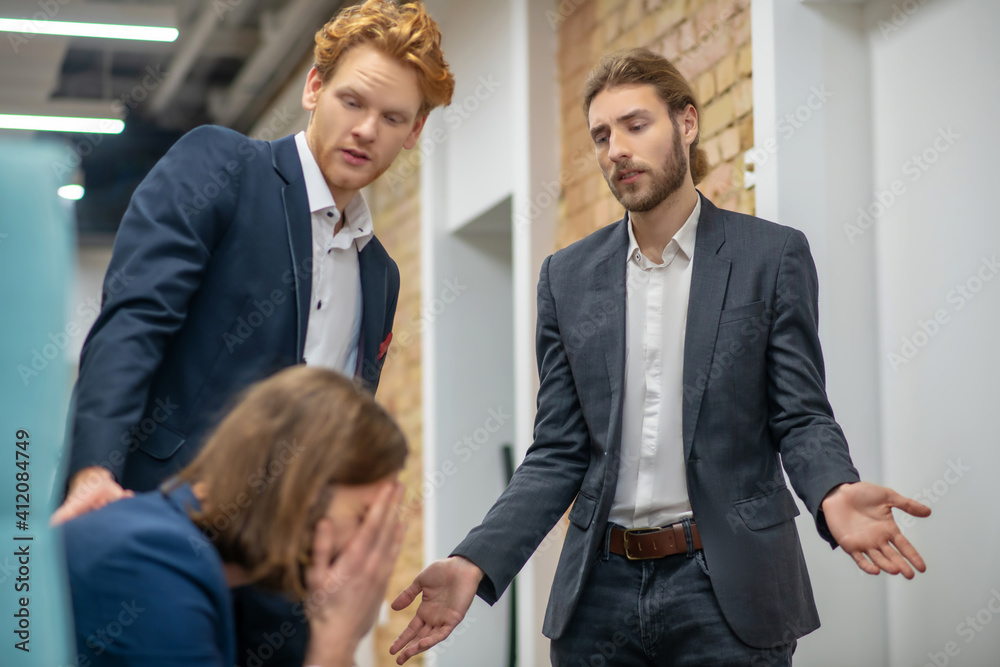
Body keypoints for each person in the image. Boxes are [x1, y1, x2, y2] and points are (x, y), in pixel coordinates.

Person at [389, 49, 932, 666]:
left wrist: (833, 490)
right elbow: (558, 452)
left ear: (687, 123)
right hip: (598, 594)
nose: (616, 148)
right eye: (601, 135)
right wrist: (474, 560)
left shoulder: (769, 257)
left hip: (726, 590)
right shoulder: (566, 278)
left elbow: (801, 415)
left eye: (635, 125)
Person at [54, 1, 452, 664]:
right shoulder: (224, 166)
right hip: (163, 542)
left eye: (392, 119)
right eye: (351, 101)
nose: (365, 131)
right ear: (313, 87)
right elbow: (134, 322)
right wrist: (94, 471)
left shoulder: (379, 274)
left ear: (415, 132)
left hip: (285, 580)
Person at [60, 365, 408, 667]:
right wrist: (336, 644)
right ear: (302, 489)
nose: (370, 553)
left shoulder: (175, 550)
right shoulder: (155, 561)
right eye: (365, 518)